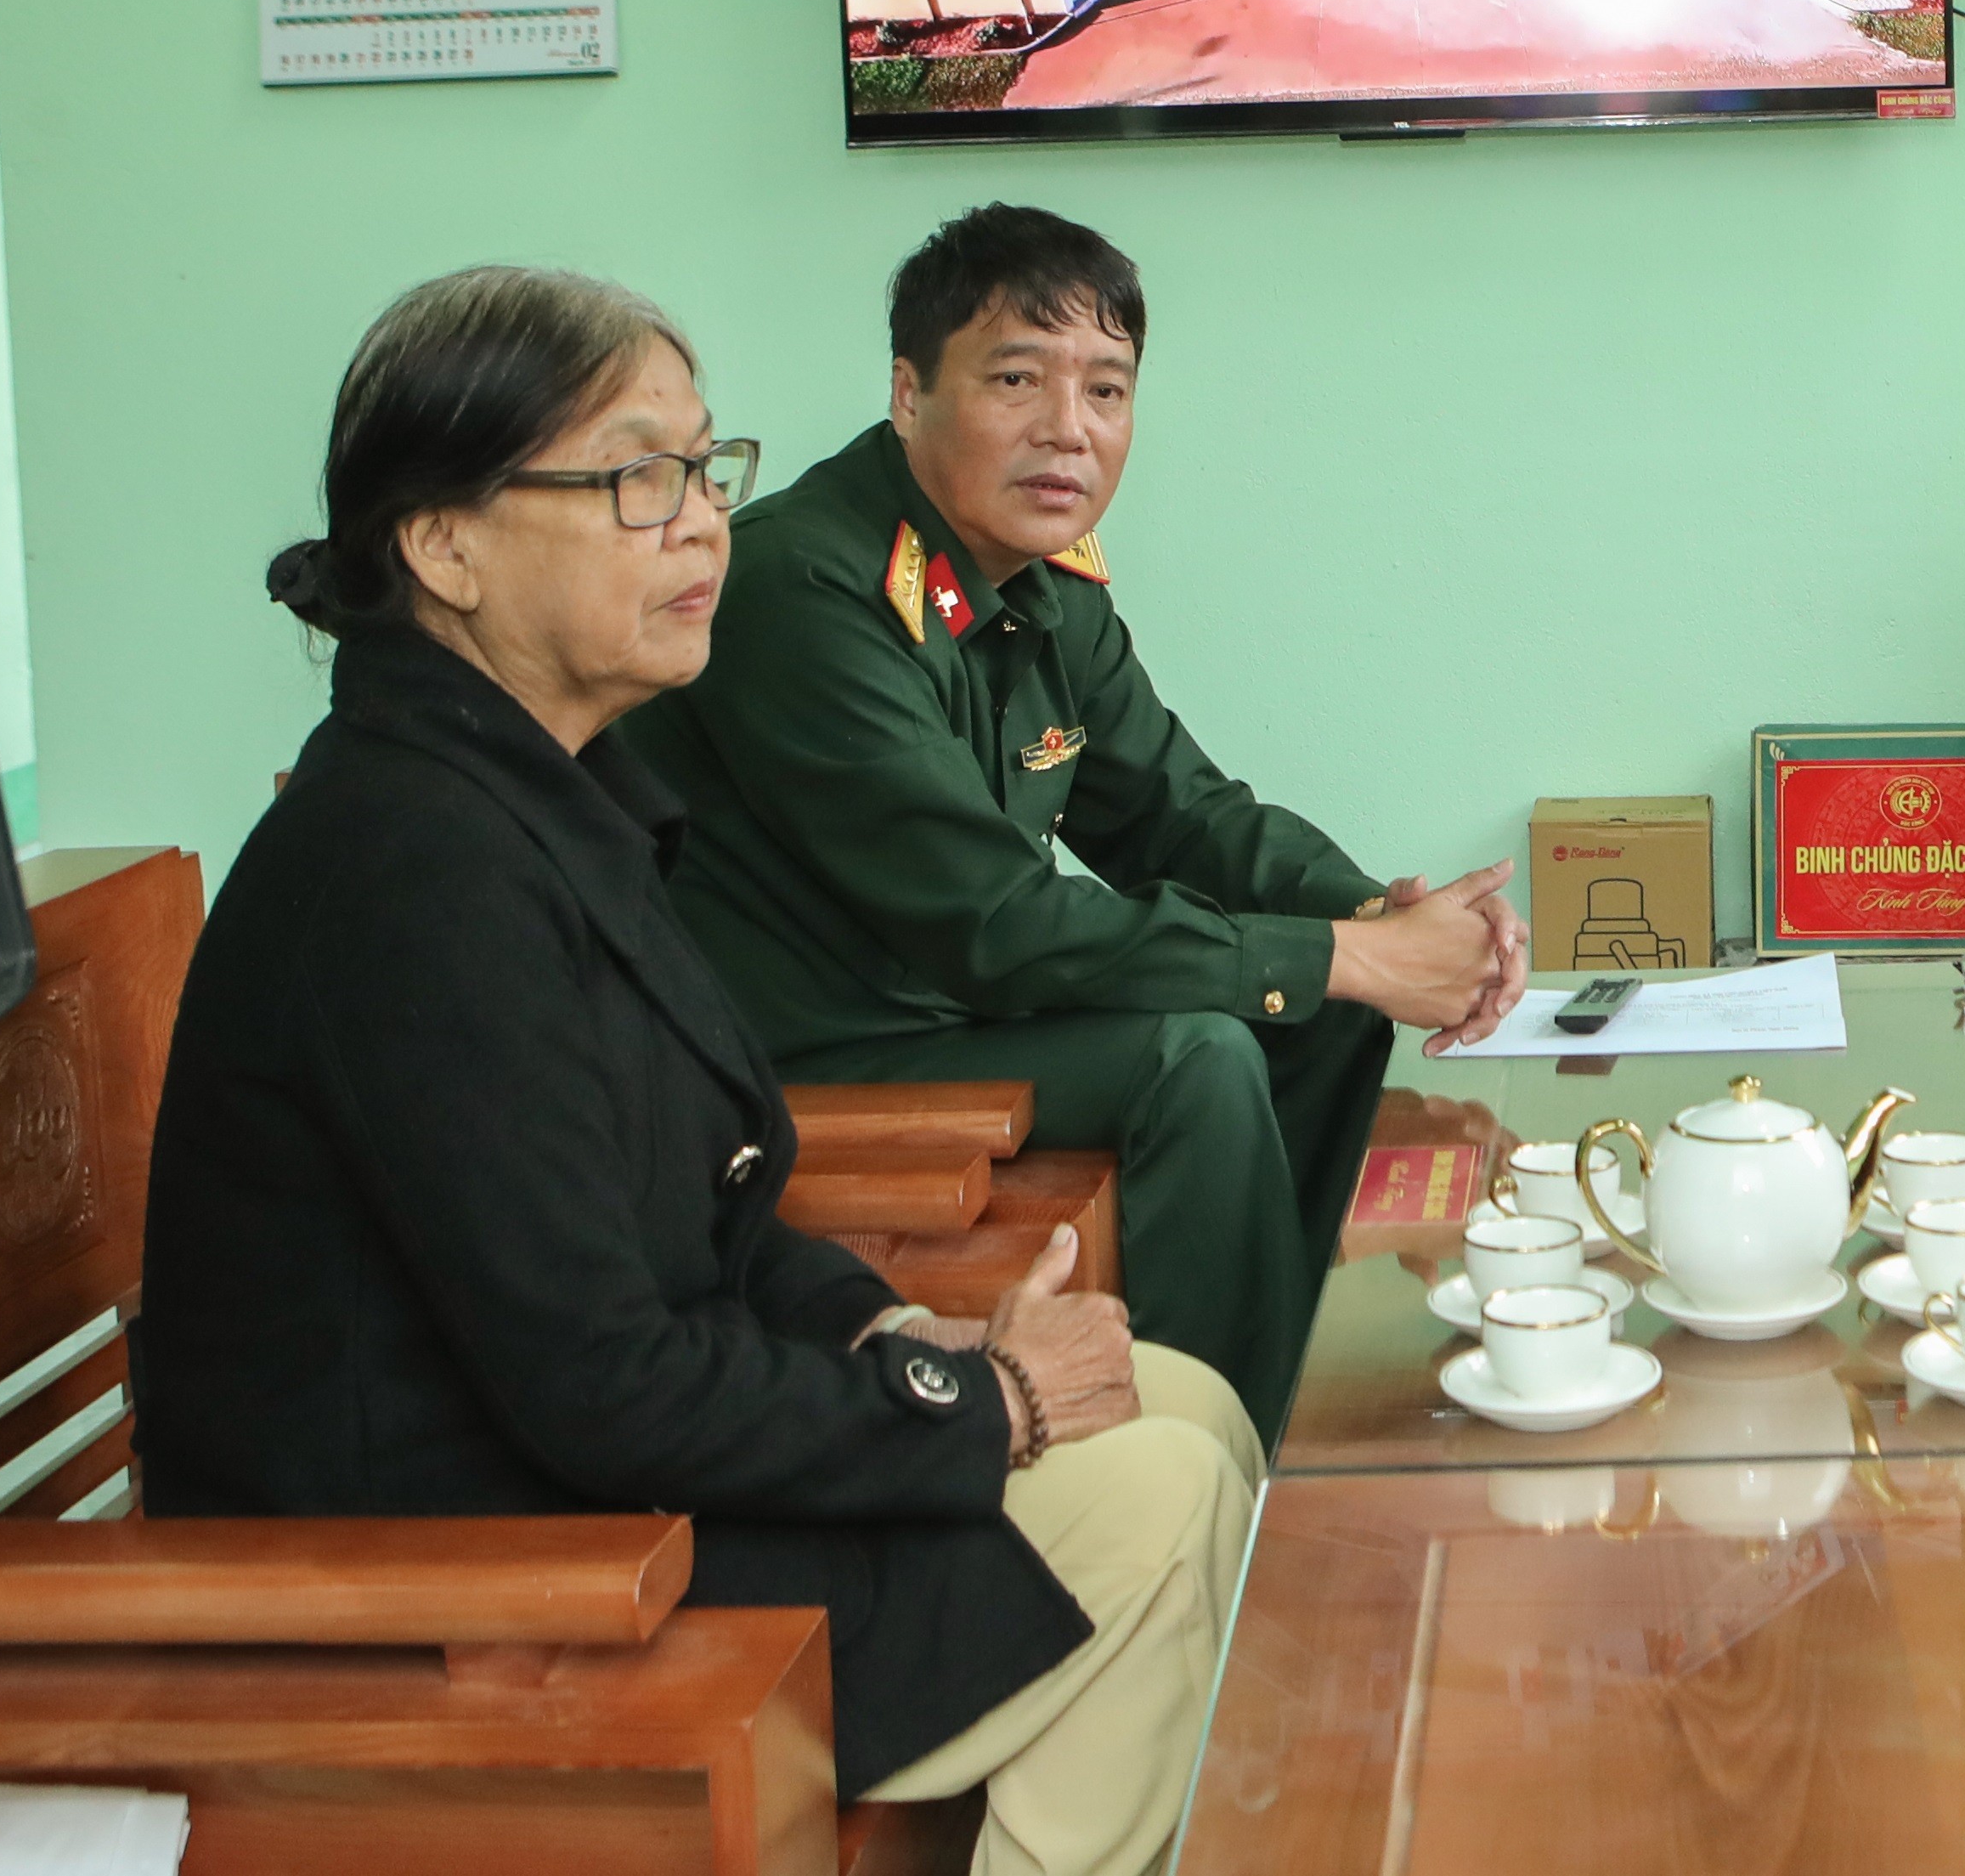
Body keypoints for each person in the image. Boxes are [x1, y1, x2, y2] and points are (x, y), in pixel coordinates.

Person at [141, 268, 1254, 1876]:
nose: (704, 524)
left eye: (706, 469)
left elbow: (707, 1223)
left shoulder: (540, 800)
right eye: (636, 479)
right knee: (1152, 1504)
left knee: (1185, 1405)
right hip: (474, 1591)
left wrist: (896, 1332)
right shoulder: (411, 872)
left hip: (595, 1499)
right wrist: (981, 1402)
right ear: (445, 546)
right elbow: (600, 1381)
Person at [632, 204, 1526, 1447]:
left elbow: (1181, 814)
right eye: (1017, 380)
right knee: (1195, 1056)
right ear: (907, 392)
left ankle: (1292, 1388)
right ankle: (1210, 1455)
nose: (1071, 428)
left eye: (1107, 388)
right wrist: (1352, 954)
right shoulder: (804, 584)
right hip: (813, 1047)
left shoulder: (1043, 580)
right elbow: (994, 923)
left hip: (955, 1008)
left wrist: (1386, 916)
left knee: (1320, 1009)